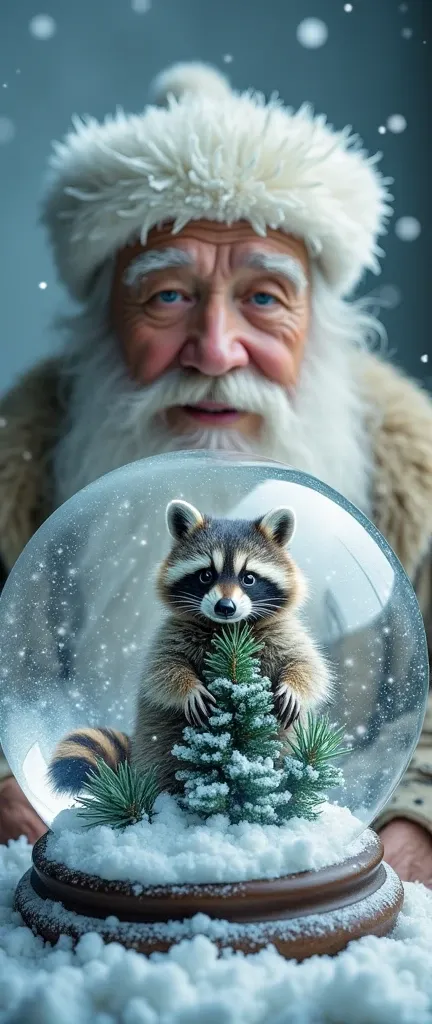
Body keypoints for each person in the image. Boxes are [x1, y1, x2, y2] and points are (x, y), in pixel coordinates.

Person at [0, 63, 431, 885]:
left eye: (265, 297)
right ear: (100, 327)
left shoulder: (419, 476)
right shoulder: (16, 462)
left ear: (324, 325)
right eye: (166, 296)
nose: (216, 351)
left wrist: (418, 813)